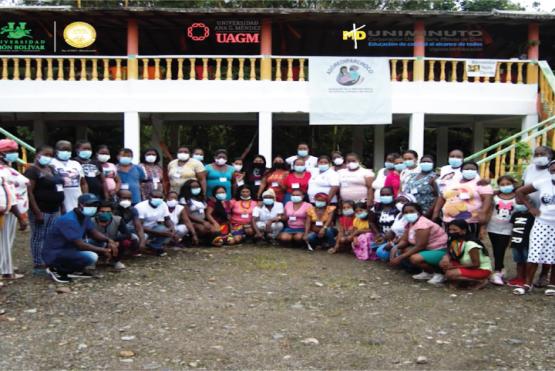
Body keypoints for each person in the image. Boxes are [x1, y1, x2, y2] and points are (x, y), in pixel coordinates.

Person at [42, 194, 119, 283]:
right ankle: (56, 269)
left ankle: (74, 269)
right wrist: (104, 250)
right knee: (92, 256)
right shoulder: (69, 220)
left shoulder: (84, 216)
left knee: (101, 243)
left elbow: (93, 232)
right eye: (90, 205)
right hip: (56, 253)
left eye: (95, 205)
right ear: (80, 205)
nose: (93, 208)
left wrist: (109, 240)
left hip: (69, 247)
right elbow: (80, 245)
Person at [514, 160, 555, 295]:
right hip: (542, 222)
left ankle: (552, 284)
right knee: (534, 253)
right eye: (553, 170)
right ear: (549, 171)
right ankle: (527, 284)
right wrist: (531, 207)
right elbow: (520, 192)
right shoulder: (543, 181)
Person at [25, 145, 65, 275]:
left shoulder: (52, 169)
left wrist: (62, 205)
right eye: (45, 154)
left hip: (55, 209)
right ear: (37, 154)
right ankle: (38, 263)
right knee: (38, 236)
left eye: (50, 155)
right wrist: (36, 211)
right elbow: (29, 192)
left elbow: (59, 187)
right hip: (41, 209)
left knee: (50, 235)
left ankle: (48, 259)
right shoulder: (32, 171)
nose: (48, 157)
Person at [432, 161, 493, 239]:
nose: (469, 171)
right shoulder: (452, 182)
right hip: (449, 220)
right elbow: (442, 196)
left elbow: (487, 200)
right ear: (461, 170)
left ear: (477, 171)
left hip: (469, 222)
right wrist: (436, 213)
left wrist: (483, 216)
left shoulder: (481, 183)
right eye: (467, 169)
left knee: (468, 244)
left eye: (472, 169)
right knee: (451, 243)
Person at [390, 203, 448, 285]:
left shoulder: (422, 224)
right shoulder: (411, 223)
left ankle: (439, 274)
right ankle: (428, 273)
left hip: (440, 250)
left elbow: (421, 245)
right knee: (405, 249)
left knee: (415, 258)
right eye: (406, 212)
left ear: (419, 212)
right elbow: (405, 240)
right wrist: (395, 248)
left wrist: (400, 257)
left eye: (411, 211)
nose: (408, 214)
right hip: (428, 249)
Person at [521, 146, 553, 287]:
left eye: (543, 154)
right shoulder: (529, 169)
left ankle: (544, 275)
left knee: (550, 247)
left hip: (550, 216)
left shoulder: (552, 169)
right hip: (534, 213)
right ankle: (525, 278)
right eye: (536, 154)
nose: (539, 156)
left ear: (550, 156)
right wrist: (530, 207)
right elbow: (522, 189)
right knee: (529, 245)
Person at [0, 139, 28, 280]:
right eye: (9, 152)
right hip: (7, 211)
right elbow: (9, 196)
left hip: (10, 210)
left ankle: (5, 265)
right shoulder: (3, 172)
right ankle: (6, 271)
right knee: (4, 240)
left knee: (6, 240)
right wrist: (20, 216)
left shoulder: (7, 169)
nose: (14, 154)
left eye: (14, 151)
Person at [439, 219, 492, 289]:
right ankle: (462, 281)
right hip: (467, 266)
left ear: (463, 231)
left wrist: (454, 267)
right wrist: (446, 258)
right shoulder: (455, 241)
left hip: (481, 269)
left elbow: (476, 264)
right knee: (443, 264)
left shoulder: (471, 244)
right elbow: (452, 254)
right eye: (450, 230)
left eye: (455, 230)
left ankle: (481, 280)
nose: (451, 232)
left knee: (450, 274)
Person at [486, 175, 518, 285]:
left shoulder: (518, 197)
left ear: (513, 184)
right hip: (493, 227)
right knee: (496, 249)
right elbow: (489, 209)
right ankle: (501, 269)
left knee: (500, 249)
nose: (505, 186)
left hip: (508, 228)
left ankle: (497, 271)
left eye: (508, 184)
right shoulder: (495, 197)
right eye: (502, 185)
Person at [91, 201, 136, 270]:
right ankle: (92, 261)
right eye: (102, 211)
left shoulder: (118, 219)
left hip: (113, 241)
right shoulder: (91, 221)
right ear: (97, 212)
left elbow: (127, 234)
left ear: (112, 212)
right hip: (97, 242)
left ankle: (115, 261)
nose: (105, 214)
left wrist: (114, 241)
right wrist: (106, 242)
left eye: (108, 212)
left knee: (126, 241)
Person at [134, 190, 176, 256]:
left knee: (167, 231)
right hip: (139, 229)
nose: (158, 199)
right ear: (149, 197)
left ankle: (153, 247)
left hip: (153, 226)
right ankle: (136, 250)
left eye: (160, 197)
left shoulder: (163, 204)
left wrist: (172, 228)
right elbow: (139, 226)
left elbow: (167, 219)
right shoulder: (140, 207)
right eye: (155, 197)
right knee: (143, 236)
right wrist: (158, 233)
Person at [51, 140, 88, 212]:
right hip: (60, 203)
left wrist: (85, 198)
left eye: (68, 149)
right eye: (63, 149)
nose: (66, 151)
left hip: (77, 201)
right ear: (56, 150)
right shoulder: (51, 163)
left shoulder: (76, 164)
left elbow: (83, 183)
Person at [179, 179, 220, 243]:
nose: (196, 188)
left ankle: (206, 240)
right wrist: (203, 222)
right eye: (193, 187)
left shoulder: (201, 198)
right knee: (203, 229)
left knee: (215, 230)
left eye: (198, 187)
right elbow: (187, 215)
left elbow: (206, 210)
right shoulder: (184, 199)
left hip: (203, 220)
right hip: (192, 222)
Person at [508, 200, 534, 288]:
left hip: (526, 243)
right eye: (518, 203)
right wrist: (510, 241)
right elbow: (512, 228)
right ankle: (519, 277)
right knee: (518, 261)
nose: (520, 205)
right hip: (515, 241)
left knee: (527, 261)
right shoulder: (515, 214)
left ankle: (527, 279)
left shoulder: (532, 216)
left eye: (522, 203)